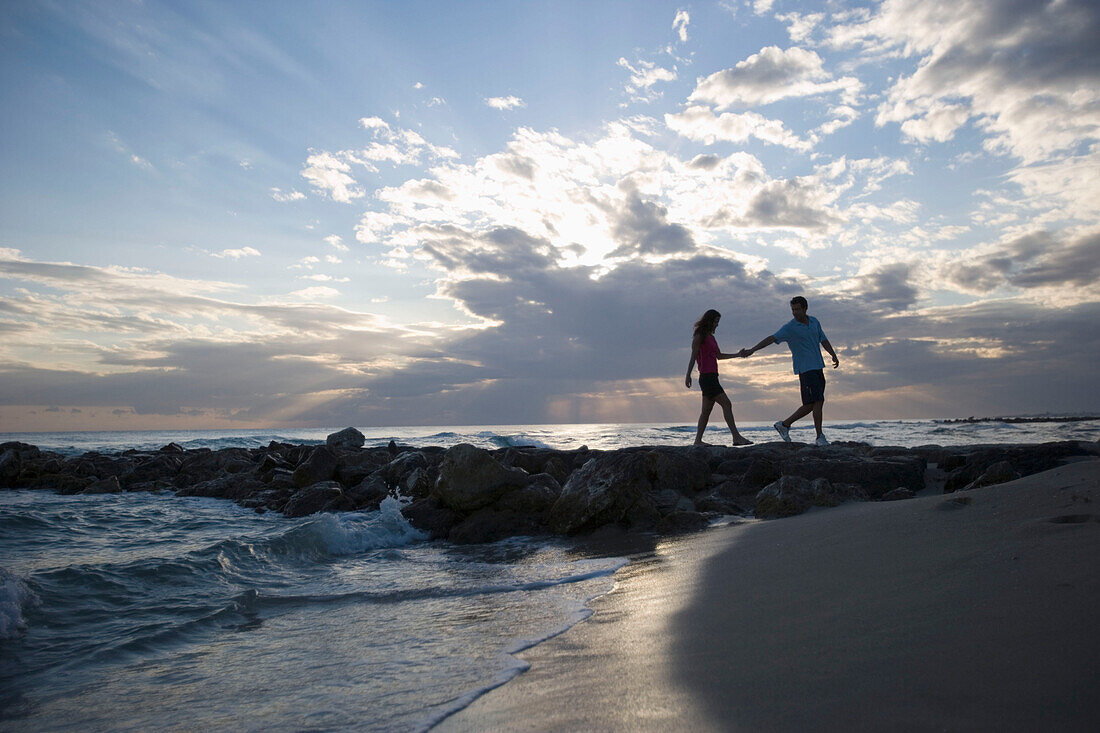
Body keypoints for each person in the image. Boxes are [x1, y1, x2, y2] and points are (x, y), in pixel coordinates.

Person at [740, 296, 839, 446]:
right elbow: (772, 338)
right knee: (818, 401)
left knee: (812, 404)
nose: (794, 313)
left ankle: (784, 425)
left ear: (805, 308)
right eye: (792, 310)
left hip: (818, 366)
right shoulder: (790, 327)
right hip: (805, 369)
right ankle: (819, 436)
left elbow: (823, 339)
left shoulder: (814, 322)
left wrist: (833, 354)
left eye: (797, 309)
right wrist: (753, 350)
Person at [685, 309, 753, 447]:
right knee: (726, 404)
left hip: (713, 376)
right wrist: (687, 375)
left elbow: (719, 356)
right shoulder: (700, 336)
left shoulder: (711, 337)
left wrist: (738, 355)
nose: (717, 324)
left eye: (718, 322)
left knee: (706, 411)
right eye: (716, 321)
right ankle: (736, 437)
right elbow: (693, 356)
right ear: (709, 321)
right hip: (706, 377)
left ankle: (697, 441)